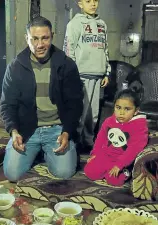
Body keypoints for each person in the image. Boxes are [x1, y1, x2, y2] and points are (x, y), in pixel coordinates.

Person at [0, 16, 84, 182]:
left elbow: (75, 104)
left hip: (56, 130)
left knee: (64, 172)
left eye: (45, 38)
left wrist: (67, 132)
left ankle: (46, 150)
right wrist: (14, 131)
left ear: (52, 36)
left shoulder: (66, 65)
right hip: (26, 130)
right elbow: (7, 105)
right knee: (12, 174)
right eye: (34, 39)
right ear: (27, 38)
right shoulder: (16, 67)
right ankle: (38, 150)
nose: (40, 45)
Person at [63, 0, 111, 151]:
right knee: (80, 113)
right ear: (80, 3)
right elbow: (69, 50)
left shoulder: (102, 24)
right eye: (88, 1)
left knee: (93, 114)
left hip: (97, 75)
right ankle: (74, 143)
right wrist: (72, 74)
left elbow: (105, 49)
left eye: (95, 0)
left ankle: (89, 141)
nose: (93, 4)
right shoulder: (74, 24)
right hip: (81, 75)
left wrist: (106, 72)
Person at [84, 89, 148, 186]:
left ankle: (127, 171)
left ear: (136, 111)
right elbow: (100, 139)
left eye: (127, 109)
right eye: (118, 108)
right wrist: (95, 153)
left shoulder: (139, 127)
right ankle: (104, 170)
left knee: (114, 180)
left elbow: (134, 149)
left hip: (121, 160)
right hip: (105, 155)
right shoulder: (109, 121)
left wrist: (120, 165)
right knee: (90, 172)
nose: (121, 113)